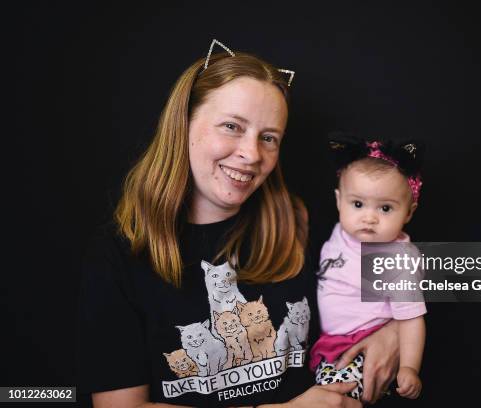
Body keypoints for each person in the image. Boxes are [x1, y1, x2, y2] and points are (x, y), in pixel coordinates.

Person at [77, 40, 400, 407]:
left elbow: (437, 277)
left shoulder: (302, 220)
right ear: (182, 124)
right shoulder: (118, 254)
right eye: (232, 126)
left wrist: (394, 332)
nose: (251, 154)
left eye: (268, 138)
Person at [310, 132, 427, 400]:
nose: (369, 218)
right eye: (358, 204)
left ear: (409, 212)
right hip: (330, 342)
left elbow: (411, 319)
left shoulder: (395, 258)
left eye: (385, 209)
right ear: (339, 201)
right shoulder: (342, 231)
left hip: (363, 344)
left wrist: (409, 366)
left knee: (334, 399)